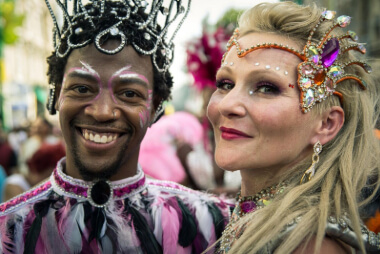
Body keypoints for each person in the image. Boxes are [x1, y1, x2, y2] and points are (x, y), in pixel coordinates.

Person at [0, 1, 231, 253]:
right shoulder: (8, 231)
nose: (101, 112)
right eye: (81, 88)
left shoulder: (212, 227)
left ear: (155, 109)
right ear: (55, 96)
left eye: (129, 93)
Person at [206, 2, 380, 253]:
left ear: (326, 124)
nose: (227, 105)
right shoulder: (255, 220)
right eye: (225, 84)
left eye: (267, 88)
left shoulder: (309, 244)